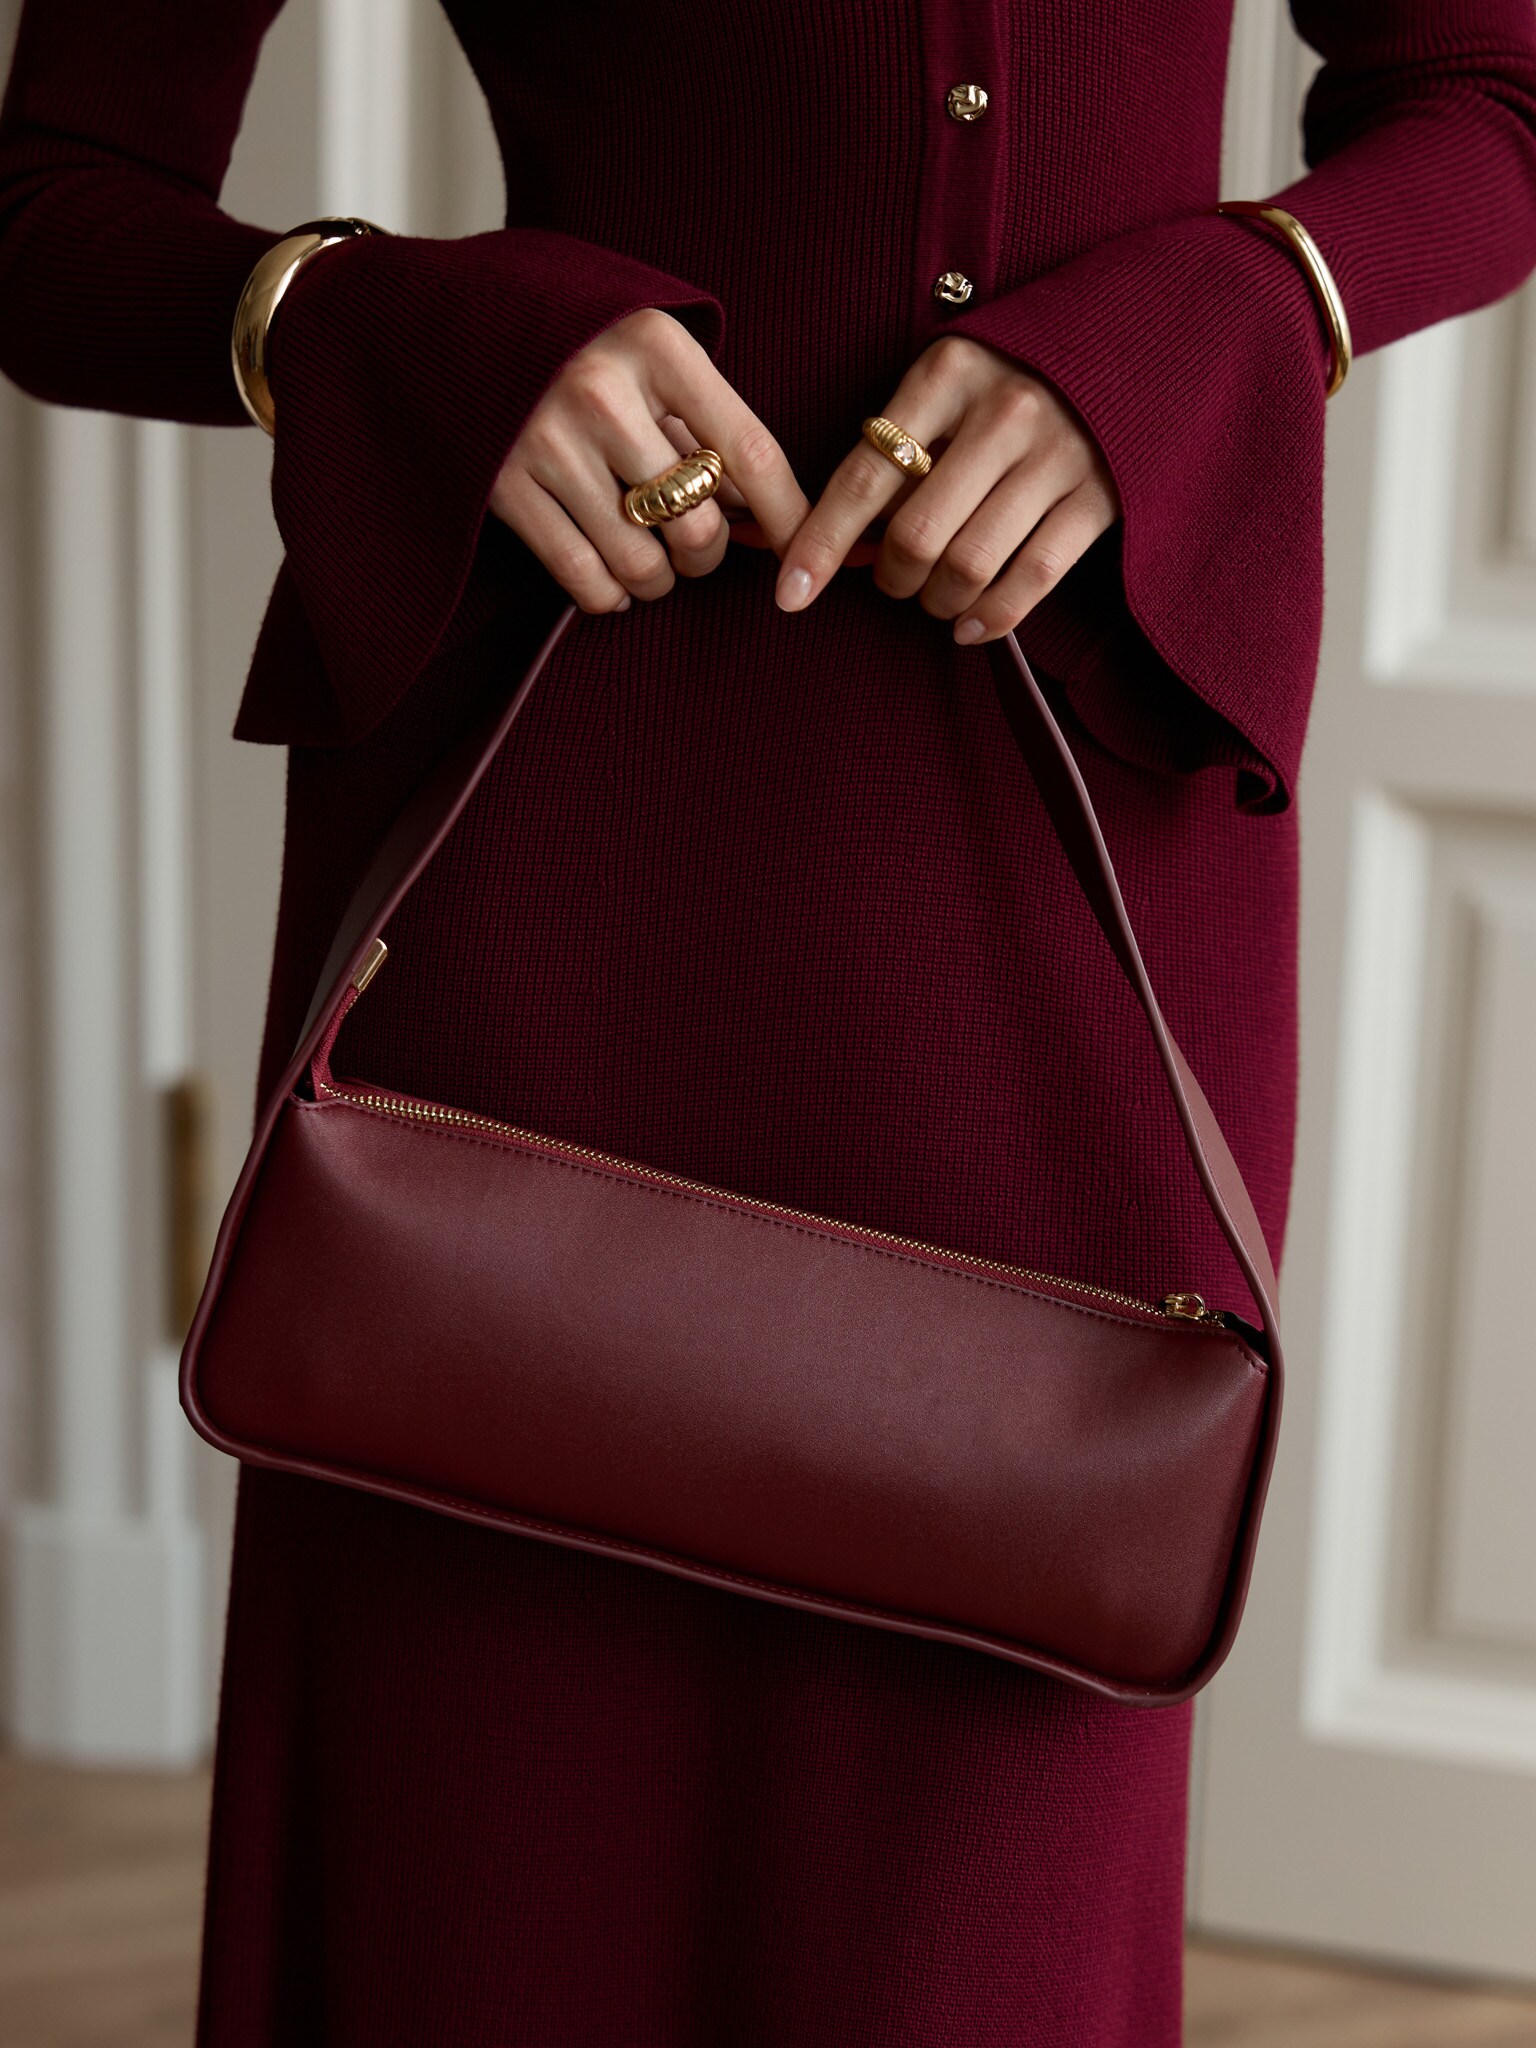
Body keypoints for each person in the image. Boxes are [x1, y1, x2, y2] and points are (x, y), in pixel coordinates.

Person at [2, 3, 1534, 2042]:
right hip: (553, 871)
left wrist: (1238, 305)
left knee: (985, 1881)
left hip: (1063, 881)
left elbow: (1495, 99)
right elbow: (48, 213)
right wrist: (379, 324)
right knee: (481, 1873)